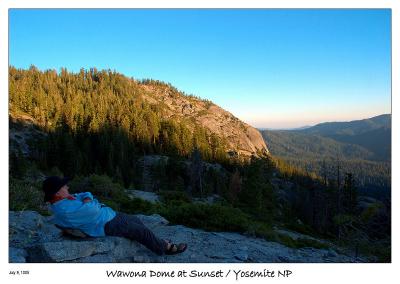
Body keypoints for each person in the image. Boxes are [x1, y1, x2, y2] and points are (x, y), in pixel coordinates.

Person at [42, 176, 187, 256]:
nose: (67, 187)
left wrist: (87, 199)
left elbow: (85, 194)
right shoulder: (65, 209)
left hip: (109, 215)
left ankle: (156, 241)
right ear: (57, 192)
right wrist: (89, 200)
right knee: (141, 231)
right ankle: (165, 248)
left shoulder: (64, 199)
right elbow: (93, 209)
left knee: (136, 221)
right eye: (64, 186)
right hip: (106, 224)